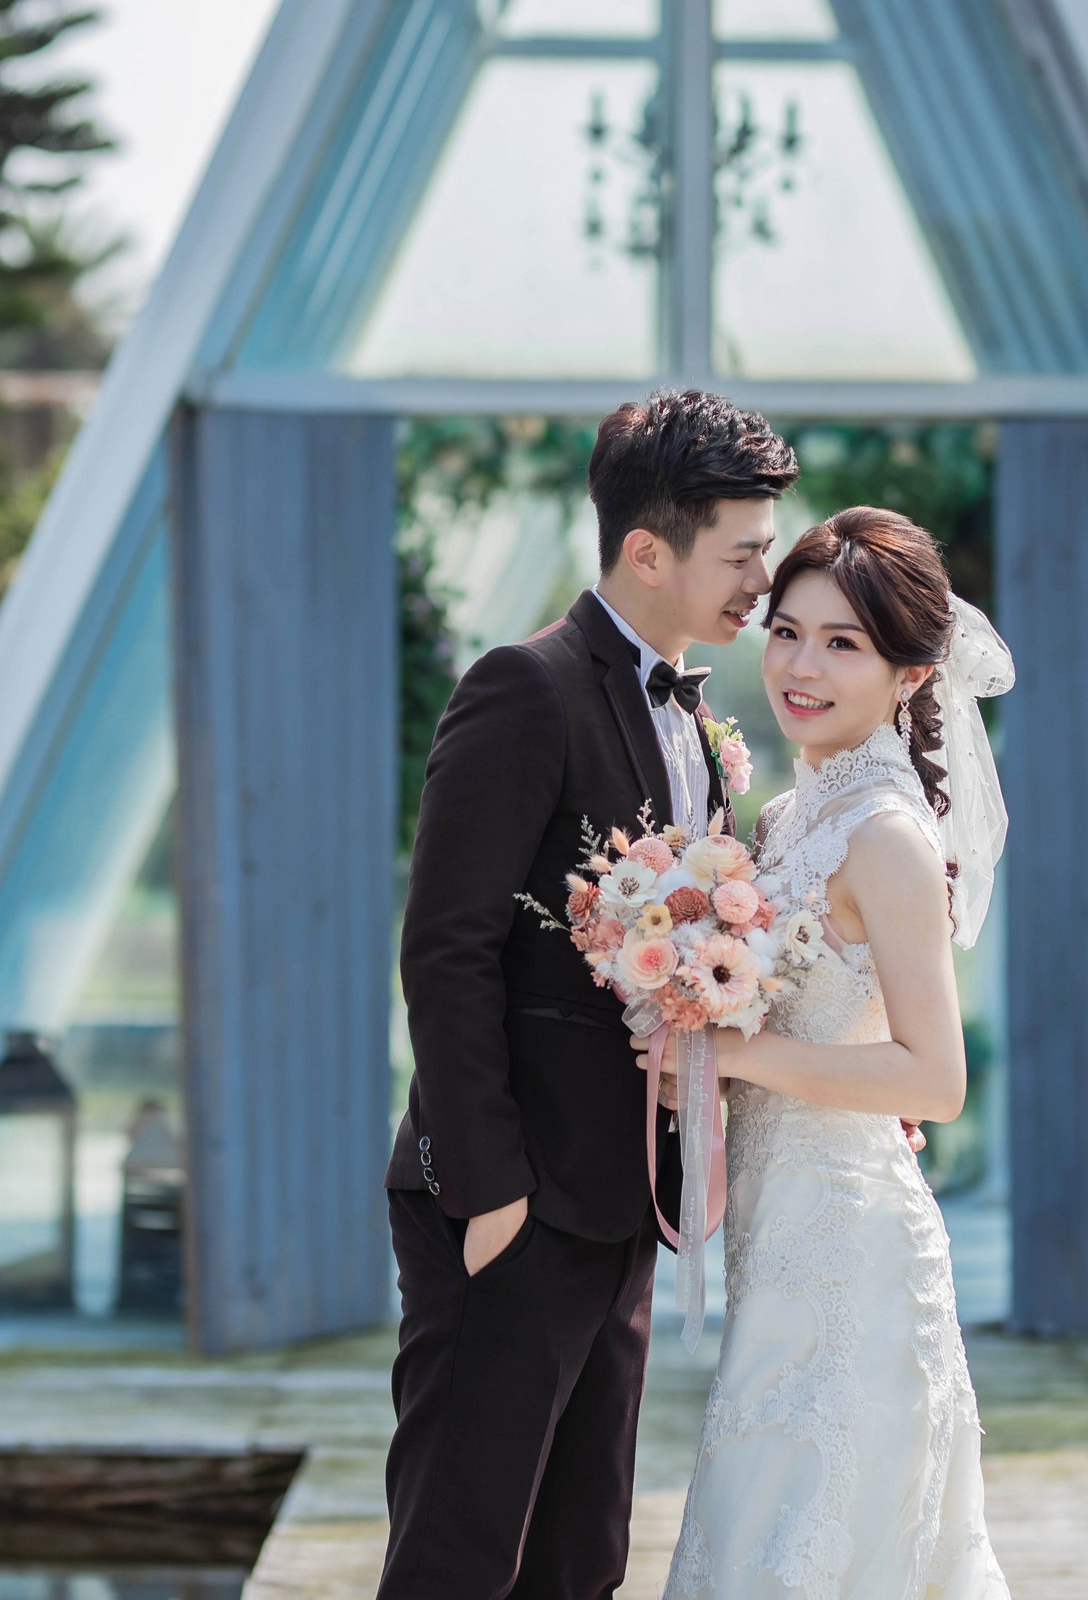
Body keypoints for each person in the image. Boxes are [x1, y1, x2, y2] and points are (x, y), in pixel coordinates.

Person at [381, 389, 799, 1598]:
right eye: (741, 553)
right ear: (648, 552)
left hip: (622, 1206)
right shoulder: (525, 687)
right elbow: (446, 948)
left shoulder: (698, 720)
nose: (762, 581)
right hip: (513, 1202)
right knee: (460, 1560)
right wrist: (491, 1193)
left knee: (581, 1563)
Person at [658, 507, 1017, 1599]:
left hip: (852, 1253)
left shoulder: (888, 836)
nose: (800, 667)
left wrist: (735, 1053)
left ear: (911, 673)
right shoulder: (786, 817)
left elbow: (934, 1079)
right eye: (786, 632)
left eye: (842, 643)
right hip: (777, 1242)